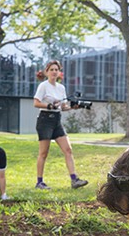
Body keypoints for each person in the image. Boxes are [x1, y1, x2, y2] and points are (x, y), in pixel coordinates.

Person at [33, 60, 88, 190]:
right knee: (43, 153)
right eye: (51, 69)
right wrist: (49, 105)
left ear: (59, 73)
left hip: (57, 121)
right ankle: (39, 182)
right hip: (45, 120)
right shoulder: (43, 86)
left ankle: (74, 180)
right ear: (47, 72)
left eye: (56, 70)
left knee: (68, 149)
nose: (54, 72)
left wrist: (75, 107)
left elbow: (63, 107)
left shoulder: (61, 88)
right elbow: (36, 103)